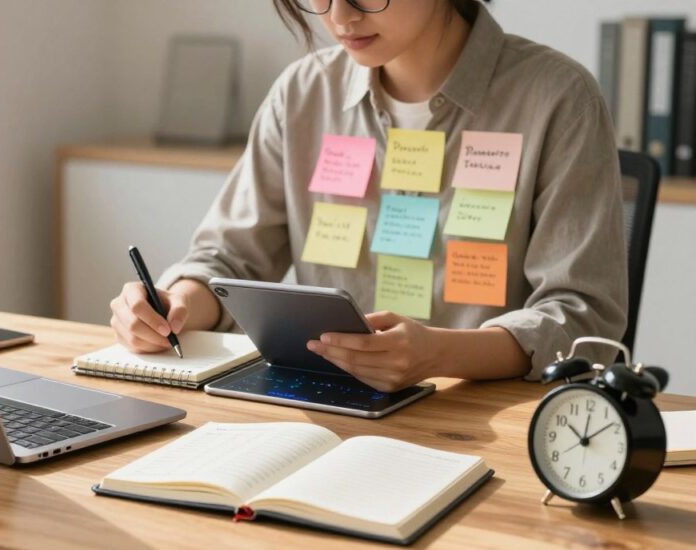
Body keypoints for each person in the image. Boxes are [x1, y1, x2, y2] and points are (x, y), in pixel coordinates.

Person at [108, 0, 626, 392]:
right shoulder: (302, 94)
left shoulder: (557, 98)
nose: (340, 17)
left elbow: (581, 314)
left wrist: (440, 354)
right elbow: (227, 258)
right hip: (322, 404)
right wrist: (172, 306)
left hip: (484, 418)